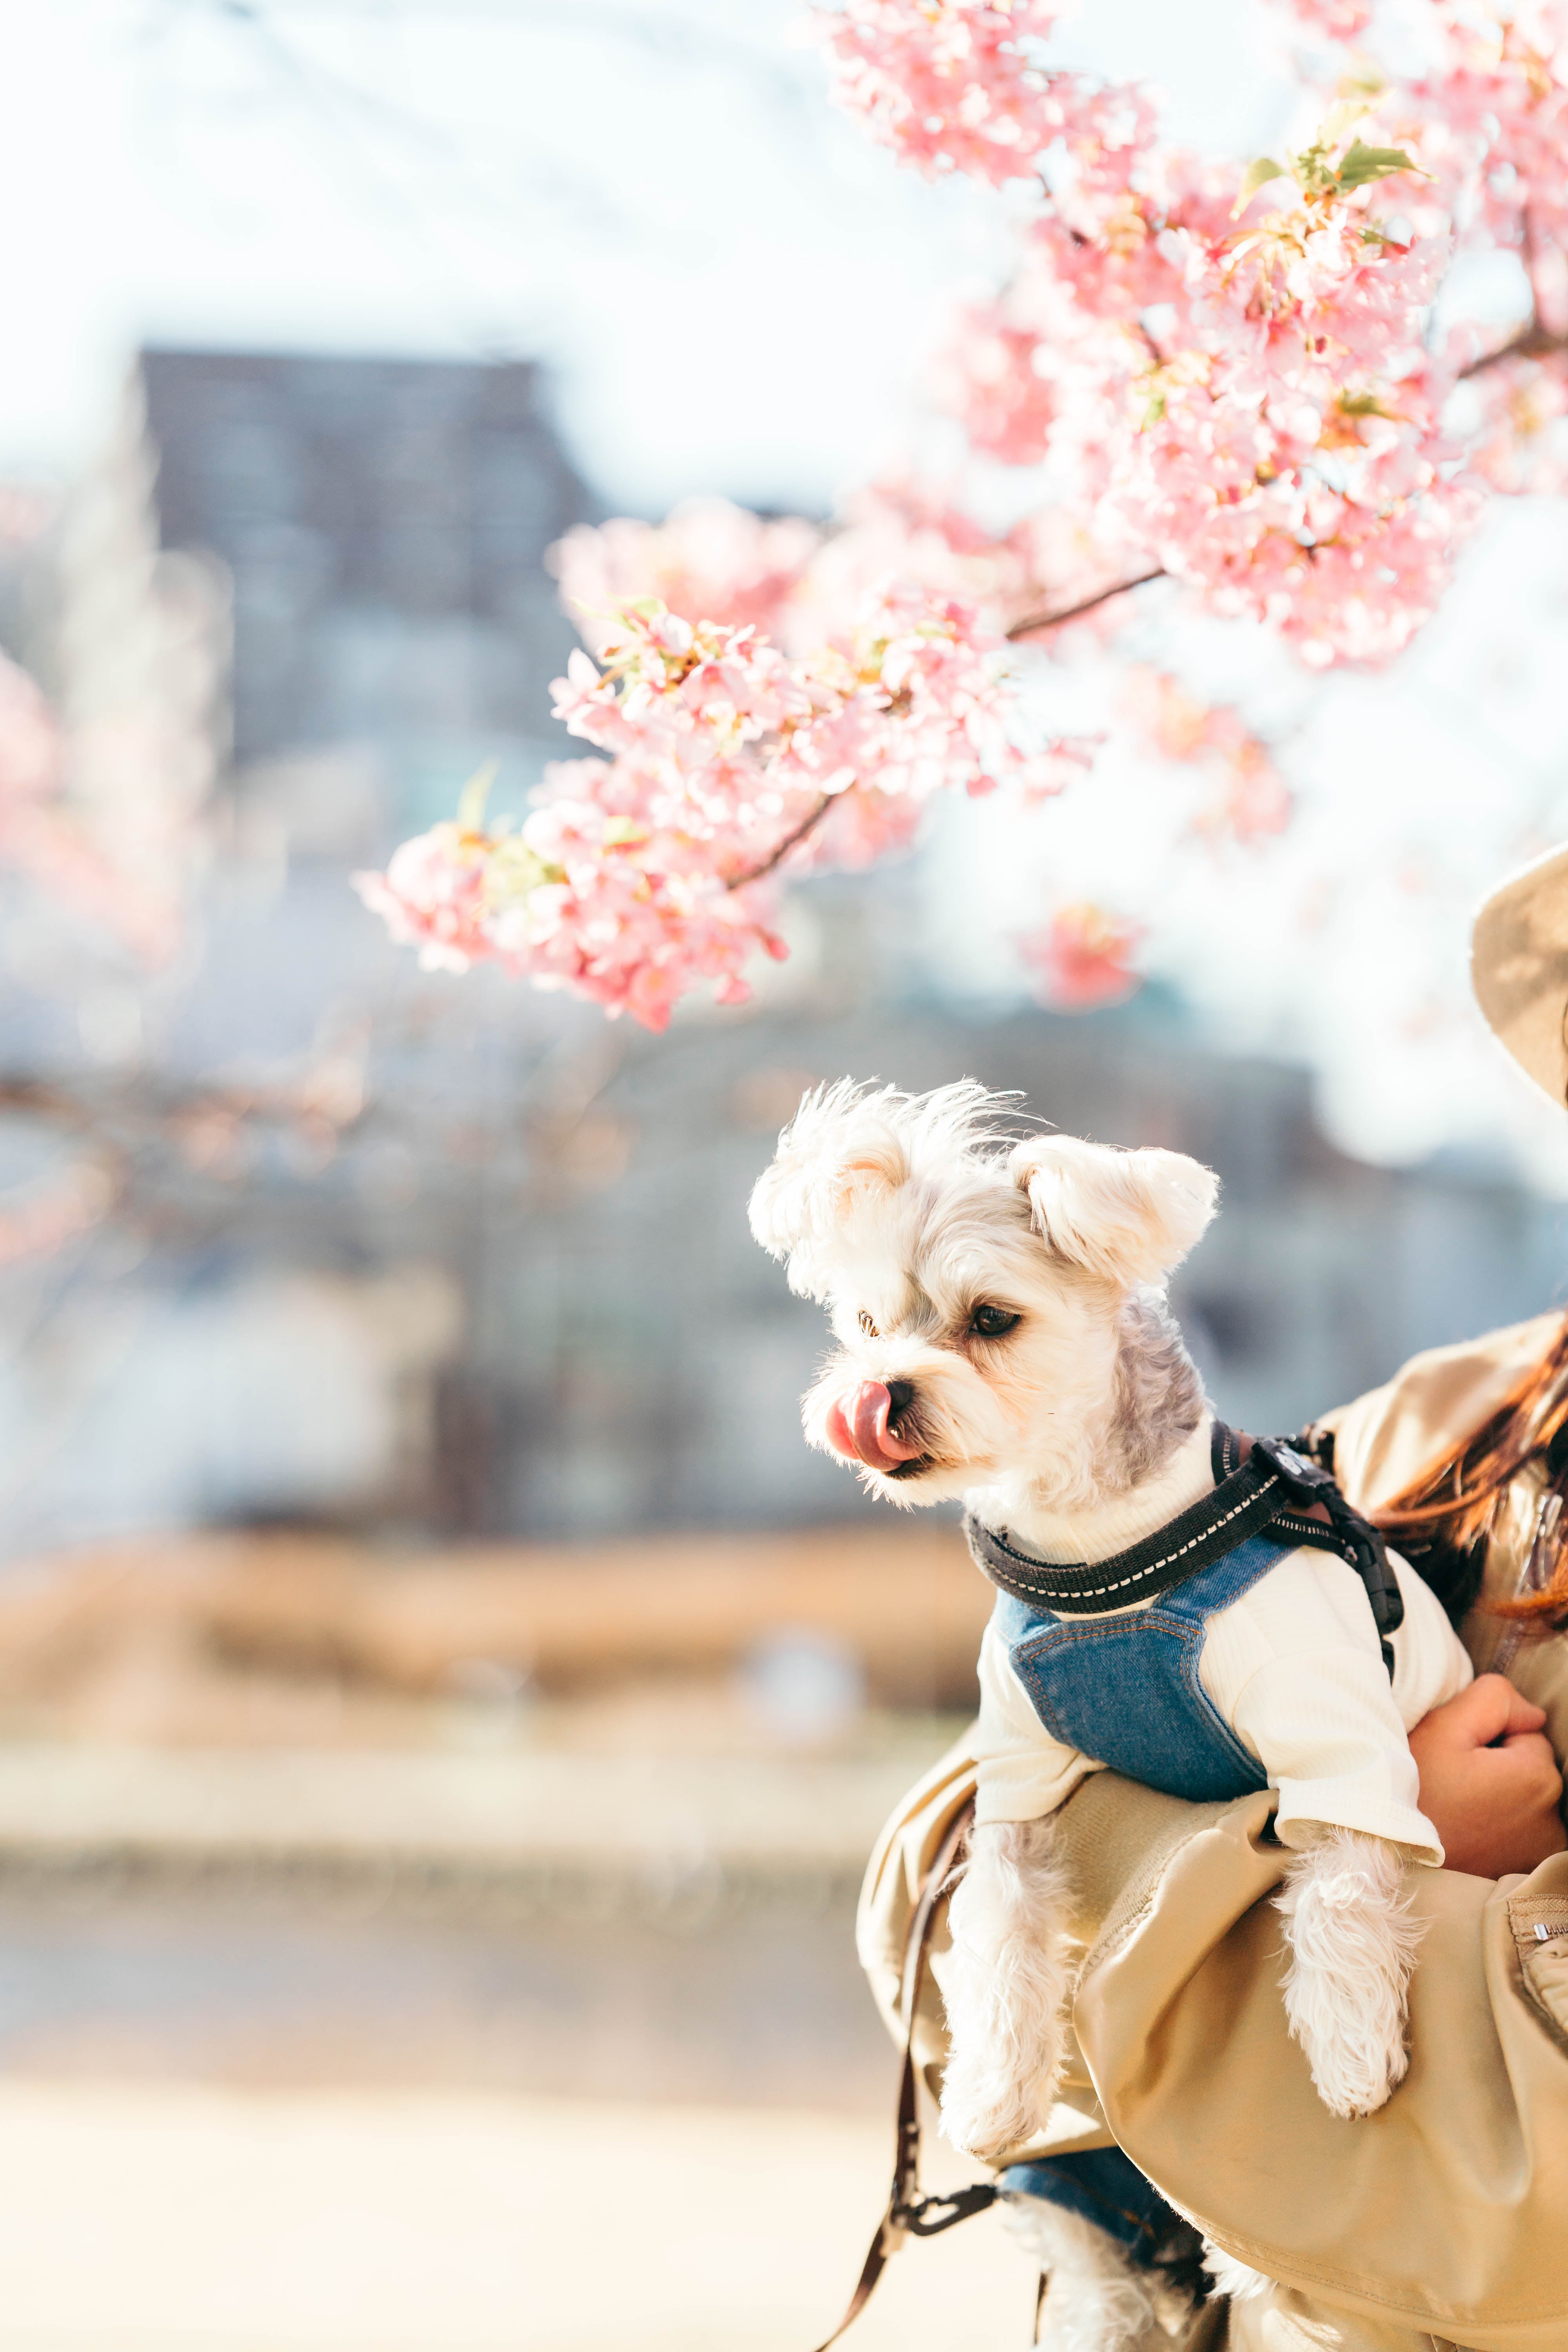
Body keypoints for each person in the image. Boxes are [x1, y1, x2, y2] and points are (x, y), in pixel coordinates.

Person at [855, 845, 1568, 2352]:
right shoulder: (1436, 1422)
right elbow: (928, 1888)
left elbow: (1541, 2202)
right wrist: (1359, 1834)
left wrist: (1154, 1921)